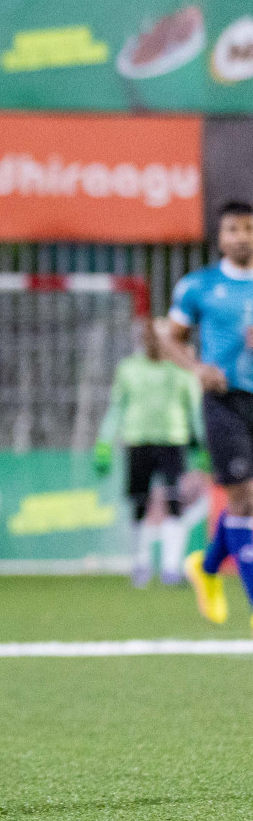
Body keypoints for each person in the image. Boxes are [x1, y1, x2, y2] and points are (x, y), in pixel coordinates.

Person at [164, 200, 253, 630]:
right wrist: (197, 368)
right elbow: (171, 338)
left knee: (246, 500)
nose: (240, 237)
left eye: (248, 229)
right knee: (244, 498)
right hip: (224, 401)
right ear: (220, 237)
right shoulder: (199, 285)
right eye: (232, 229)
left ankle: (207, 567)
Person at [94, 320, 203, 587]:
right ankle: (141, 564)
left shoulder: (181, 370)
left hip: (173, 441)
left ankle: (171, 567)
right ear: (146, 340)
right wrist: (105, 441)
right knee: (139, 503)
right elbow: (117, 406)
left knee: (175, 502)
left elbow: (195, 408)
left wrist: (203, 445)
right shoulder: (129, 368)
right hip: (138, 441)